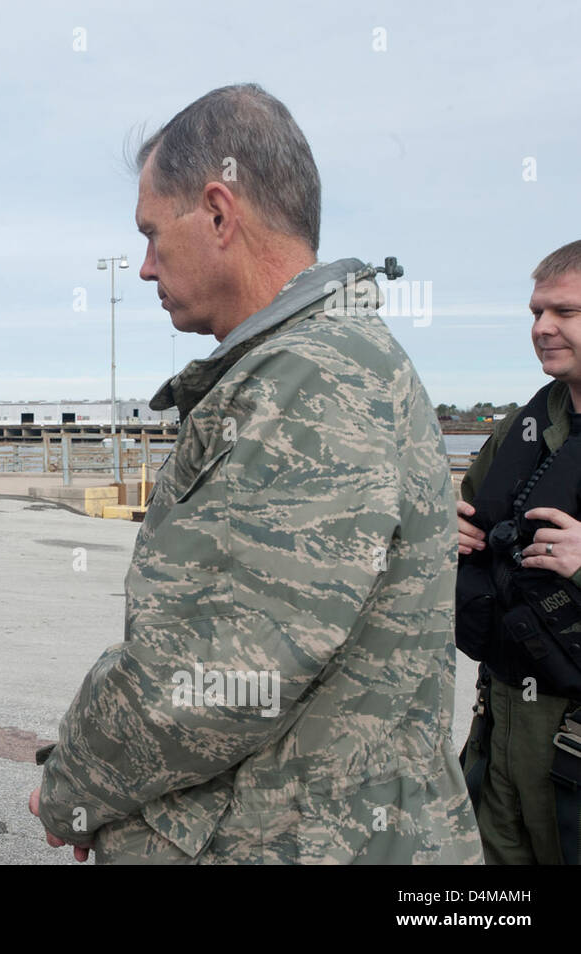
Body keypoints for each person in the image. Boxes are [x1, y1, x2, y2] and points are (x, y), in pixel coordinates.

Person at [29, 84, 482, 863]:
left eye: (150, 234)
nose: (142, 269)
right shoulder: (314, 366)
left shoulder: (308, 383)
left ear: (216, 212)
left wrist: (74, 787)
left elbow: (221, 671)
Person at [456, 240, 581, 865]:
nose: (542, 328)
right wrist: (445, 536)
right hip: (503, 715)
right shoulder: (520, 432)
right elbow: (469, 525)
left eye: (565, 312)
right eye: (536, 312)